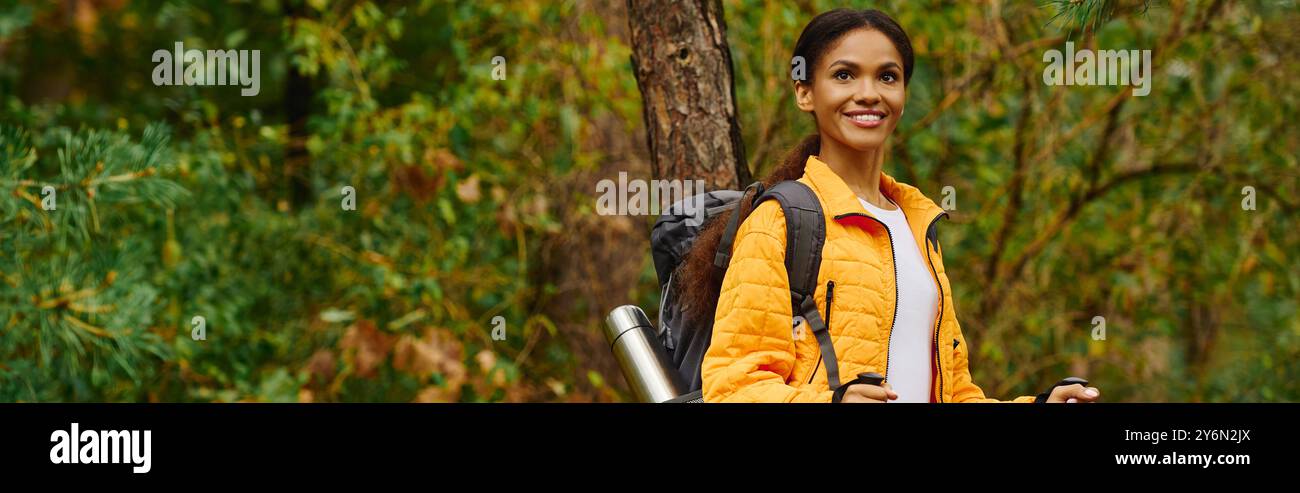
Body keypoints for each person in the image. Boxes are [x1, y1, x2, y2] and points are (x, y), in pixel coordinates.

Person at [677, 8, 1102, 404]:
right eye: (844, 75)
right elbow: (733, 386)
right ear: (805, 92)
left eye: (887, 76)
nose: (868, 94)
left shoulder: (919, 228)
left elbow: (954, 395)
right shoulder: (780, 221)